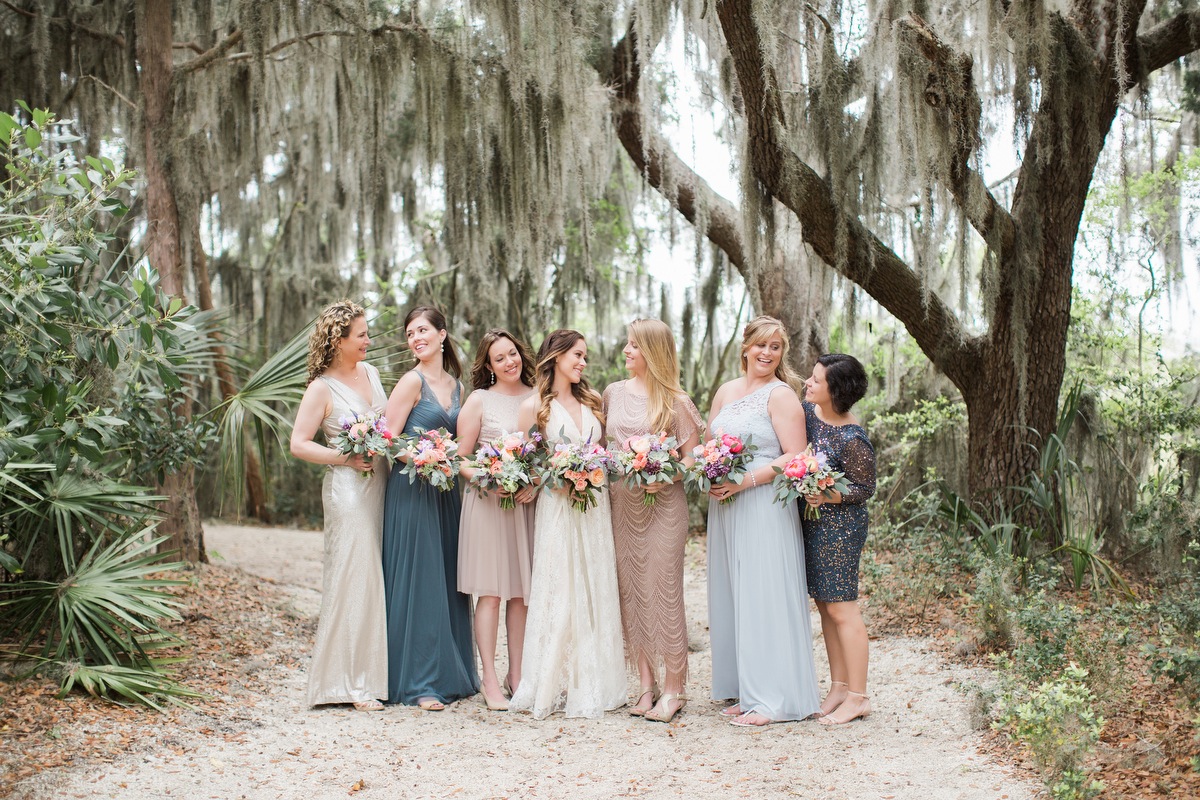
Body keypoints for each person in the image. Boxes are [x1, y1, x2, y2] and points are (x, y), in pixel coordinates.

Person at [706, 315, 821, 726]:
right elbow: (709, 446)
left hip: (763, 504)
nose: (767, 353)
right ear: (746, 346)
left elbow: (795, 455)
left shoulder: (782, 396)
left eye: (775, 347)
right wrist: (711, 474)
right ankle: (748, 688)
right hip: (726, 506)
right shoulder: (725, 392)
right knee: (735, 594)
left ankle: (774, 699)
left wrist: (745, 481)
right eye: (761, 345)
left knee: (763, 593)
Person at [508, 330, 626, 718]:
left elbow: (603, 454)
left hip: (594, 507)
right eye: (577, 355)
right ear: (556, 356)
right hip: (558, 508)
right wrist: (554, 479)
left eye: (584, 357)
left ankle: (591, 681)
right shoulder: (534, 408)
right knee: (560, 586)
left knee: (593, 586)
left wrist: (591, 472)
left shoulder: (592, 403)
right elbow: (526, 462)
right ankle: (545, 683)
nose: (582, 363)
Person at [289, 300, 388, 711]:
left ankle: (375, 673)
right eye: (361, 334)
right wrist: (343, 457)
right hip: (348, 490)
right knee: (354, 574)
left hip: (379, 483)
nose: (368, 340)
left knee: (376, 573)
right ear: (339, 340)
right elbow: (298, 444)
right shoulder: (321, 388)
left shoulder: (373, 373)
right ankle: (349, 683)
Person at [603, 320, 703, 723]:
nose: (626, 351)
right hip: (622, 506)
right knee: (630, 592)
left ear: (653, 351)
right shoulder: (611, 393)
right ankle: (646, 684)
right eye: (626, 344)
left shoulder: (676, 401)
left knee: (663, 592)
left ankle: (675, 688)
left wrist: (659, 474)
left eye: (633, 345)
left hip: (664, 506)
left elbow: (693, 462)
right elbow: (604, 449)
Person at [381, 306, 478, 709]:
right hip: (411, 489)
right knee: (420, 581)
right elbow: (386, 439)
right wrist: (425, 457)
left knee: (445, 580)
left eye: (422, 330)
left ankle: (448, 672)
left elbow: (463, 447)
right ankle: (419, 683)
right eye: (409, 333)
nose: (415, 337)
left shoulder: (458, 388)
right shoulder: (410, 381)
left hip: (445, 493)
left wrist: (449, 461)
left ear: (442, 334)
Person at [456, 329, 538, 711]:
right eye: (500, 358)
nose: (510, 362)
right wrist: (490, 479)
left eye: (513, 354)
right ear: (488, 366)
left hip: (524, 503)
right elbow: (461, 459)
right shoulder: (479, 400)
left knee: (521, 594)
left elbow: (547, 455)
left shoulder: (539, 398)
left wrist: (533, 484)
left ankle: (516, 674)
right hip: (487, 502)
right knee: (489, 593)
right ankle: (489, 677)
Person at [801, 353, 877, 725]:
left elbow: (865, 487)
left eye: (816, 380)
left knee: (842, 608)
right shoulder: (808, 414)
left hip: (841, 530)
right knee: (825, 607)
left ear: (835, 391)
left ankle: (859, 696)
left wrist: (827, 494)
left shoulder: (852, 437)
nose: (808, 383)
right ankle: (839, 686)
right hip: (812, 525)